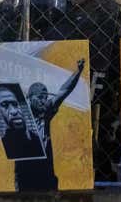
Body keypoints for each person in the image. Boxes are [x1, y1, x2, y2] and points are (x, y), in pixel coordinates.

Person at [44, 0, 121, 181]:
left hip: (98, 91)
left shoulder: (108, 10)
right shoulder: (58, 9)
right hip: (61, 85)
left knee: (97, 149)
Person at [23, 59, 86, 190]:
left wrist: (78, 72)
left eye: (45, 98)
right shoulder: (17, 112)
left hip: (45, 169)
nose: (44, 101)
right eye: (40, 97)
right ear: (29, 97)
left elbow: (64, 90)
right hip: (25, 169)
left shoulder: (46, 111)